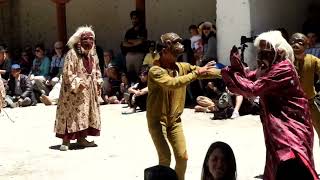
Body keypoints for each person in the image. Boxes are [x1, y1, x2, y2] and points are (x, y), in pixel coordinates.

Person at [221, 31, 318, 179]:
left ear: (279, 51)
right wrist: (234, 66)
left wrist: (230, 73)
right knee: (278, 164)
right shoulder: (268, 69)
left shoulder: (283, 68)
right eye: (260, 51)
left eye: (266, 51)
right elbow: (248, 77)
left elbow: (253, 88)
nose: (261, 55)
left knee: (292, 162)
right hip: (276, 127)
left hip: (291, 126)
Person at [147, 32, 221, 180]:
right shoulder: (155, 71)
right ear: (164, 50)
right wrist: (196, 73)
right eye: (175, 45)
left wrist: (228, 73)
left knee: (182, 157)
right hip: (157, 121)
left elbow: (204, 73)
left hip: (175, 121)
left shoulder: (181, 67)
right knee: (165, 158)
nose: (177, 55)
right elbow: (173, 84)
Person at [54, 26, 103, 151]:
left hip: (89, 91)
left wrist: (98, 82)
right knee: (71, 114)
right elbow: (67, 73)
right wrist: (78, 83)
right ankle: (66, 140)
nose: (89, 42)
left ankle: (82, 138)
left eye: (91, 39)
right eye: (86, 39)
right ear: (79, 40)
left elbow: (96, 70)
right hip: (73, 92)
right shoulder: (72, 54)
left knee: (85, 114)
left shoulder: (93, 54)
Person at [290, 33, 320, 147]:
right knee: (296, 136)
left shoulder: (312, 60)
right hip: (292, 105)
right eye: (292, 42)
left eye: (300, 42)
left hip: (310, 102)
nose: (296, 45)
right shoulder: (286, 62)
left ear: (307, 46)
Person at [121, 10, 148, 83]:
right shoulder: (129, 31)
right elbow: (124, 43)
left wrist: (130, 41)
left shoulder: (143, 30)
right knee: (129, 73)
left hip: (139, 54)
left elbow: (141, 41)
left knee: (139, 73)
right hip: (129, 54)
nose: (134, 20)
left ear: (139, 19)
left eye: (135, 18)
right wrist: (134, 42)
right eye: (132, 18)